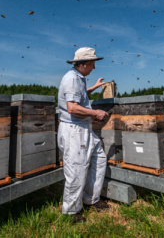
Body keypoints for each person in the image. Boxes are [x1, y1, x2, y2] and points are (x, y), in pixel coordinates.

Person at [57, 47, 110, 222]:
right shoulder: (72, 79)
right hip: (74, 131)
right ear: (85, 63)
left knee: (99, 159)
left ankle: (90, 199)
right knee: (76, 170)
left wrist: (94, 87)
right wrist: (95, 113)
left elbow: (80, 97)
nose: (94, 67)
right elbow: (72, 107)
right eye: (93, 63)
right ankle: (72, 212)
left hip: (83, 128)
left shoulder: (79, 78)